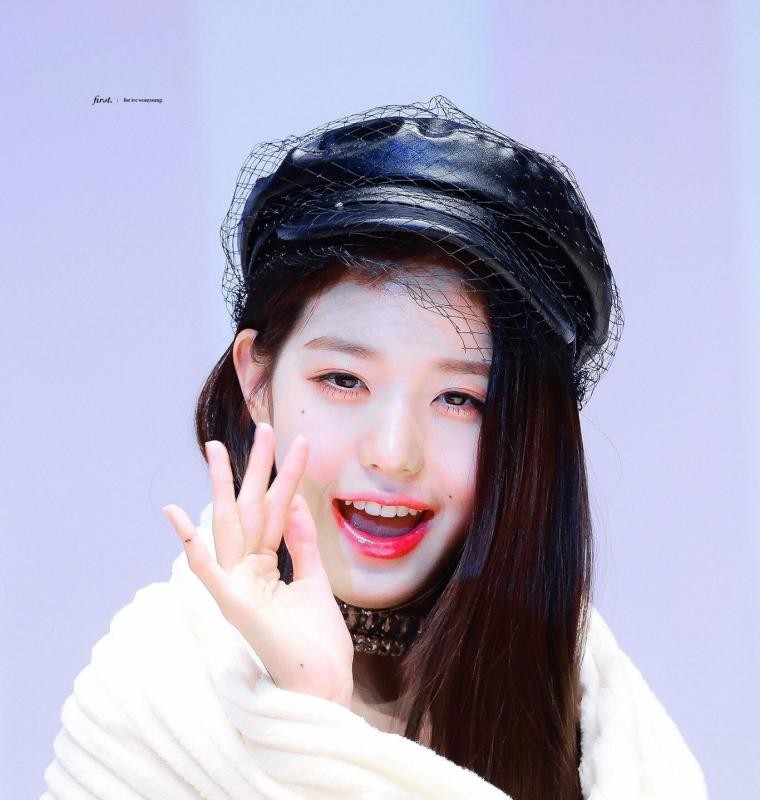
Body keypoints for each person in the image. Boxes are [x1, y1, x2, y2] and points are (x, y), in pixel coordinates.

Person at [41, 96, 707, 800]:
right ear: (257, 379)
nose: (393, 454)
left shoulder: (594, 706)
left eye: (461, 399)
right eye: (343, 380)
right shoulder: (150, 701)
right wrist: (309, 720)